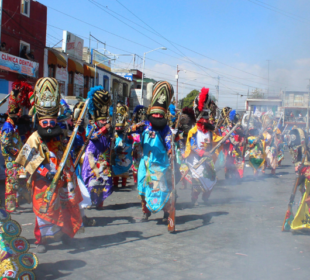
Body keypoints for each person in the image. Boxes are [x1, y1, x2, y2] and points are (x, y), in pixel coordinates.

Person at [16, 77, 83, 253]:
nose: (48, 126)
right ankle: (42, 240)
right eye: (44, 123)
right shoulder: (34, 138)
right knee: (43, 211)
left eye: (51, 122)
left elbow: (73, 147)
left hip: (62, 179)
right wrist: (45, 172)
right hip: (43, 181)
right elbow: (28, 158)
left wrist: (77, 131)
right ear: (38, 121)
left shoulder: (61, 135)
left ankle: (65, 236)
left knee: (65, 208)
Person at [130, 81, 173, 222]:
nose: (158, 117)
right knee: (142, 187)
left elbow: (168, 142)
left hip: (161, 164)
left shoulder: (166, 129)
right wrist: (133, 127)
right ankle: (145, 212)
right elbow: (130, 130)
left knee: (163, 188)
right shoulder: (145, 125)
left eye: (161, 115)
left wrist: (171, 150)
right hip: (146, 163)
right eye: (156, 115)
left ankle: (167, 213)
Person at [183, 87, 222, 206]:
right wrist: (203, 153)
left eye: (207, 118)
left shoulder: (211, 131)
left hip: (207, 161)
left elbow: (216, 141)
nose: (206, 121)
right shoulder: (193, 131)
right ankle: (193, 199)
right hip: (196, 160)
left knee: (211, 180)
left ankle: (206, 198)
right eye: (204, 118)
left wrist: (223, 140)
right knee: (197, 184)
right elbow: (193, 146)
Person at [1, 81, 32, 213]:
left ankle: (16, 202)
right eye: (16, 115)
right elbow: (5, 144)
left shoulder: (14, 126)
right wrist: (16, 152)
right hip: (11, 159)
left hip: (18, 158)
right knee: (11, 182)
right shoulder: (8, 127)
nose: (18, 117)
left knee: (18, 182)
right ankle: (10, 205)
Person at [81, 86, 113, 209]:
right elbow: (92, 137)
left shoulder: (108, 127)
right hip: (92, 155)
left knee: (103, 180)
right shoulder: (92, 126)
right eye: (102, 120)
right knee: (91, 179)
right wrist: (103, 130)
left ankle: (100, 202)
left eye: (106, 120)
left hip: (103, 155)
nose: (104, 122)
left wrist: (110, 137)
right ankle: (89, 200)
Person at [112, 102, 133, 189]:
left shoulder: (126, 133)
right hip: (116, 154)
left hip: (124, 154)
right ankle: (115, 183)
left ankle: (123, 183)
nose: (119, 128)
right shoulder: (114, 134)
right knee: (115, 168)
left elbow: (130, 141)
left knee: (124, 167)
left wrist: (128, 135)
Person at [131, 105, 146, 184]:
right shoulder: (133, 124)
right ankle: (136, 180)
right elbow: (128, 130)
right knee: (136, 163)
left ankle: (143, 179)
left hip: (145, 147)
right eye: (140, 114)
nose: (141, 115)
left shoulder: (148, 124)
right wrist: (136, 126)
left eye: (143, 113)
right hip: (136, 147)